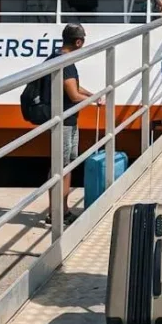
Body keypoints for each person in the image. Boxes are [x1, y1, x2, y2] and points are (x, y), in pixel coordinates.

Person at [46, 24, 95, 227]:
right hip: (63, 122)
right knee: (61, 167)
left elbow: (74, 85)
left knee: (67, 165)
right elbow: (73, 94)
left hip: (68, 120)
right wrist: (92, 100)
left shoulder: (58, 58)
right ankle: (56, 213)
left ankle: (62, 210)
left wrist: (92, 95)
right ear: (78, 42)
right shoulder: (64, 62)